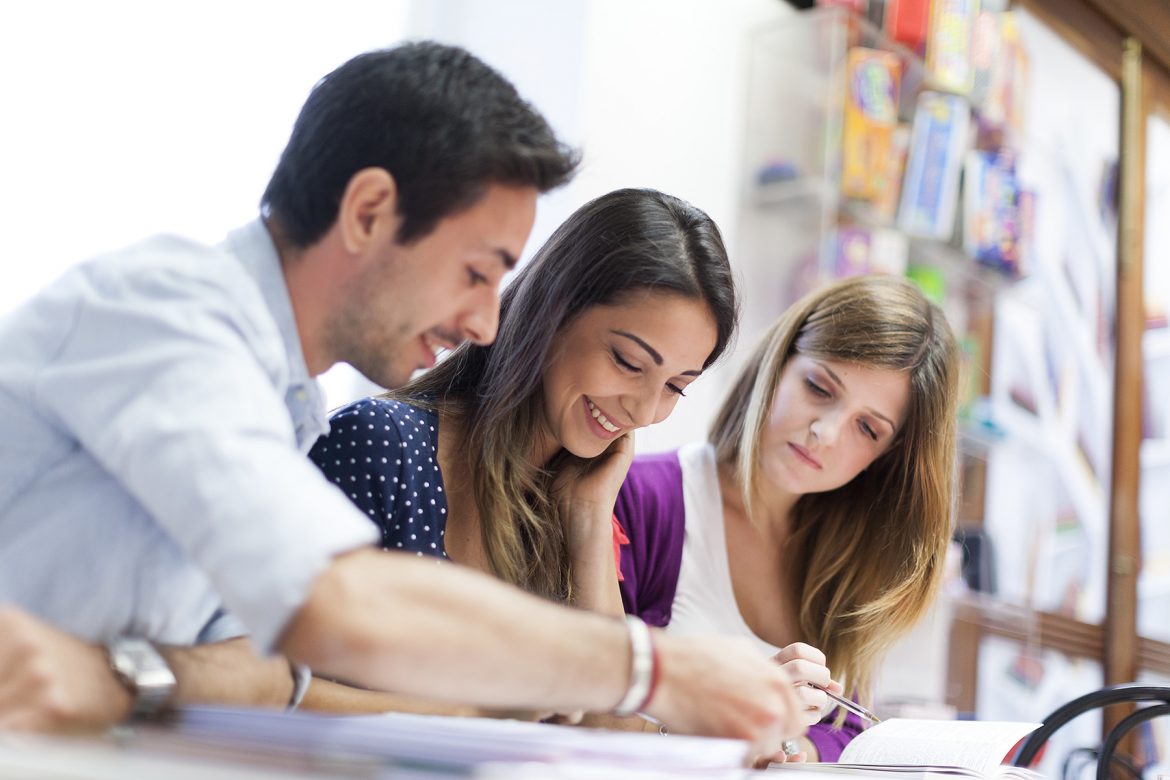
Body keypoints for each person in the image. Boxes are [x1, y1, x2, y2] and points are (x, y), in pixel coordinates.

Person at [0, 42, 806, 750]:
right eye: (476, 271)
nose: (487, 321)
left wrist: (126, 676)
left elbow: (254, 667)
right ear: (369, 212)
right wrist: (650, 667)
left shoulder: (281, 400)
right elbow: (331, 605)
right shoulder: (171, 314)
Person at [307, 188, 838, 730]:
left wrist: (587, 522)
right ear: (552, 310)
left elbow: (610, 735)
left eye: (676, 386)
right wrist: (475, 713)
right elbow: (259, 684)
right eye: (628, 361)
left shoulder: (582, 495)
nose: (642, 409)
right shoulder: (381, 446)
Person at [614, 274, 960, 761]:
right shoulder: (640, 498)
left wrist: (789, 747)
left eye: (867, 427)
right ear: (778, 364)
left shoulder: (849, 558)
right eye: (819, 387)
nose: (825, 431)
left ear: (887, 456)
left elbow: (844, 726)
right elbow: (580, 709)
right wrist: (732, 727)